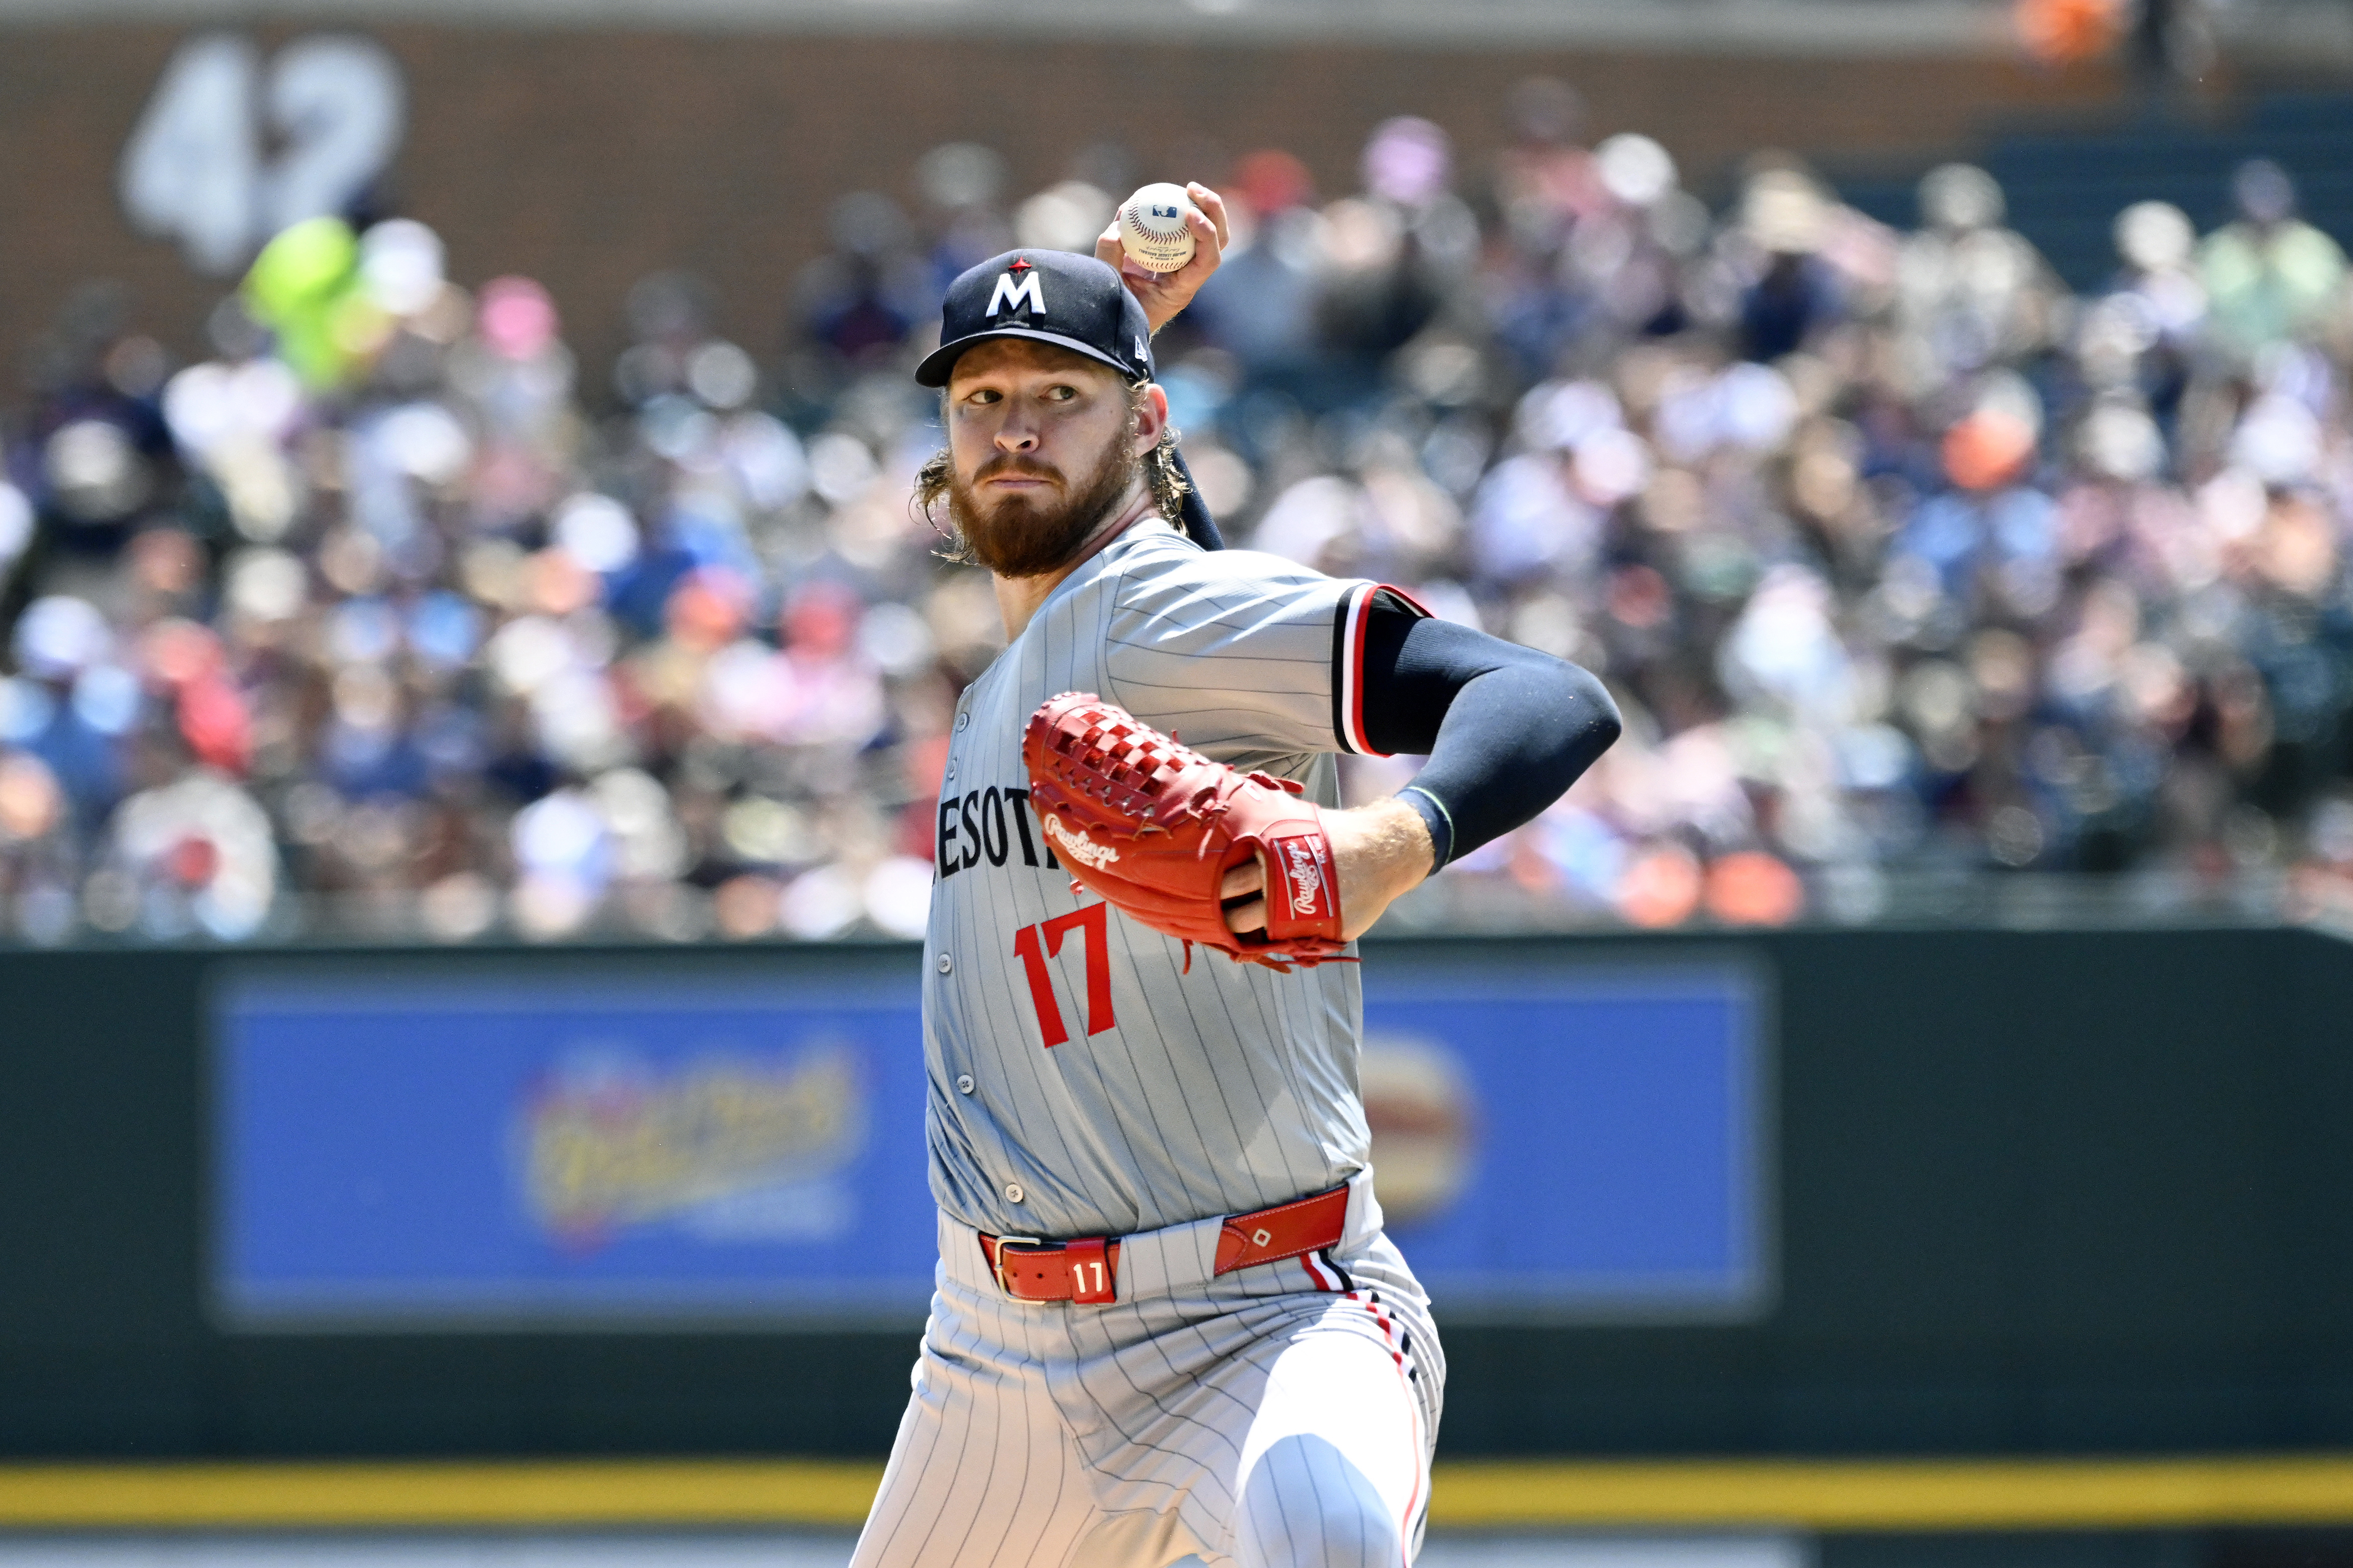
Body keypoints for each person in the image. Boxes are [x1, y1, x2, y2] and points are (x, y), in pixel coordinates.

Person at [849, 184, 1622, 1568]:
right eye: (982, 399)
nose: (1013, 427)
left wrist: (1394, 840)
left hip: (1259, 1313)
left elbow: (1545, 695)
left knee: (1324, 1539)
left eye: (1059, 397)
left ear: (1148, 426)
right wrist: (1110, 333)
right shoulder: (1015, 667)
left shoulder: (1161, 606)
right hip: (995, 1356)